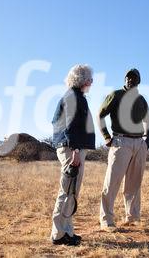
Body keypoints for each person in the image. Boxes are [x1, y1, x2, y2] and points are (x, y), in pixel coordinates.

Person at [99, 68, 149, 232]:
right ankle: (106, 219)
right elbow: (100, 115)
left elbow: (148, 120)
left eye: (134, 78)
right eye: (128, 77)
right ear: (124, 79)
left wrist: (147, 141)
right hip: (121, 140)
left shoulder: (141, 99)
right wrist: (106, 136)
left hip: (139, 143)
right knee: (112, 181)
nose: (130, 80)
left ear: (138, 81)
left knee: (134, 183)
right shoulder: (115, 95)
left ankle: (133, 217)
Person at [50, 64, 95, 246]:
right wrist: (75, 150)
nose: (91, 82)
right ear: (82, 79)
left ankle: (66, 231)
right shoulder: (73, 97)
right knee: (67, 190)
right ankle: (58, 234)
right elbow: (70, 124)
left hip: (71, 147)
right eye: (89, 78)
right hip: (71, 149)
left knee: (72, 192)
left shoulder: (75, 96)